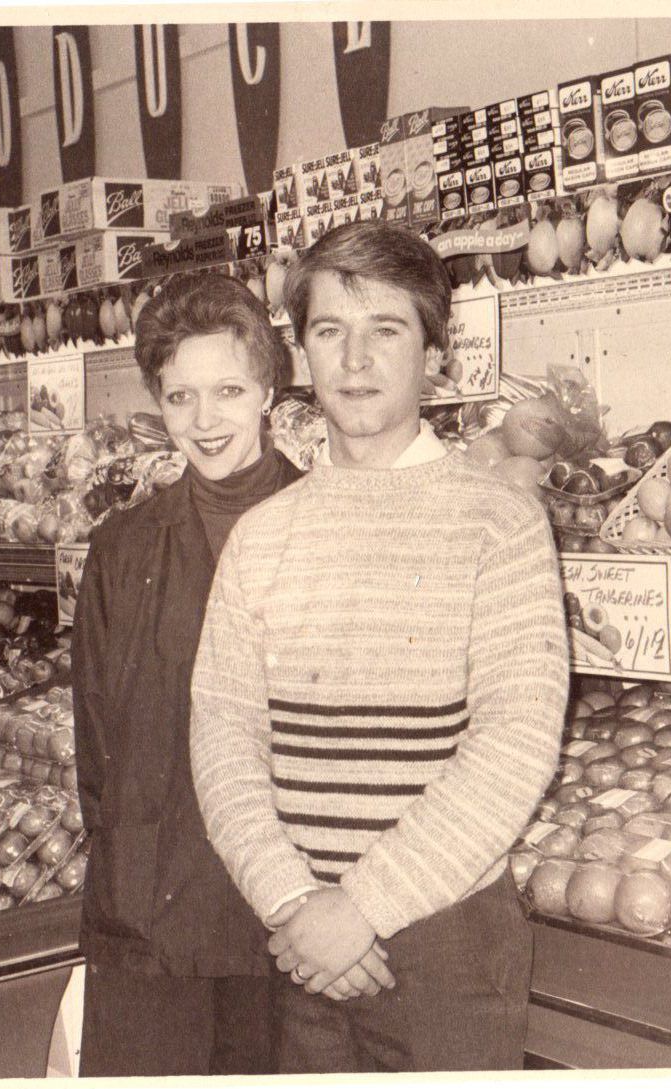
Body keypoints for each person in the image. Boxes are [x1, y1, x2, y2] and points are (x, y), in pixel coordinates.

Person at [189, 219, 570, 1073]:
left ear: (434, 352)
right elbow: (222, 732)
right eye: (330, 331)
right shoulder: (260, 535)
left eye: (385, 330)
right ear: (302, 352)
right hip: (296, 941)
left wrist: (359, 908)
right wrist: (292, 899)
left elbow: (515, 742)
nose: (354, 359)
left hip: (446, 940)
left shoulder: (500, 521)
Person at [70, 272, 301, 1076]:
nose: (204, 421)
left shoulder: (329, 522)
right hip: (152, 921)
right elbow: (96, 749)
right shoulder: (122, 547)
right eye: (179, 397)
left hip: (285, 917)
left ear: (268, 389)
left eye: (228, 390)